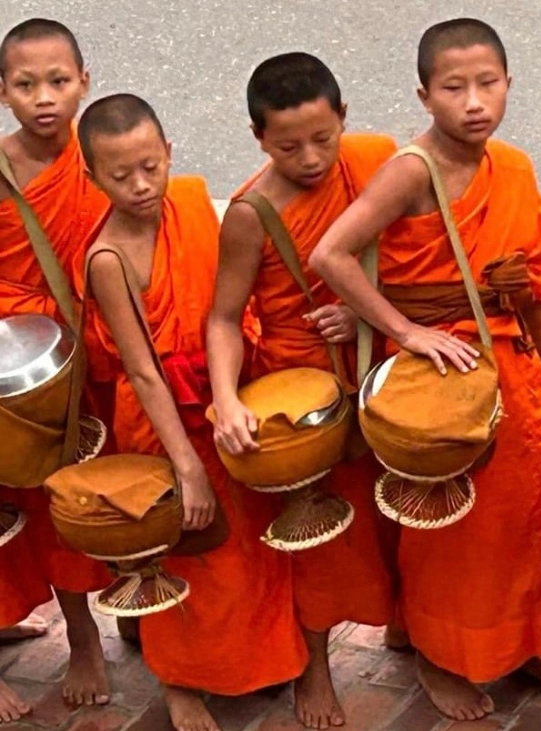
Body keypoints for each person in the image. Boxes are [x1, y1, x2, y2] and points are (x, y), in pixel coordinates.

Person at [308, 18, 541, 721]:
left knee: (526, 515)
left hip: (509, 361)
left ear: (508, 83)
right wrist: (403, 329)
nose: (474, 102)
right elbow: (332, 254)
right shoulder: (412, 173)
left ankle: (522, 638)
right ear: (425, 95)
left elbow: (527, 286)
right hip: (441, 374)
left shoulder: (510, 169)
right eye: (454, 88)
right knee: (451, 525)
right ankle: (434, 648)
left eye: (487, 83)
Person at [76, 93, 308, 731]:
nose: (142, 186)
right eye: (120, 177)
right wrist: (187, 467)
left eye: (151, 167)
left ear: (169, 152)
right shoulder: (109, 258)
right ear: (92, 177)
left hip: (222, 390)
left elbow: (225, 305)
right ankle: (180, 680)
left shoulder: (194, 205)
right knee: (183, 550)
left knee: (250, 545)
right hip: (161, 422)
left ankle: (258, 660)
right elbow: (144, 370)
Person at [206, 51, 397, 730]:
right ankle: (315, 665)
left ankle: (407, 633)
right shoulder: (252, 213)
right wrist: (226, 398)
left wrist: (364, 308)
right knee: (315, 535)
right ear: (259, 138)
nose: (311, 158)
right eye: (288, 146)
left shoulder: (374, 162)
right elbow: (224, 317)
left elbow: (404, 255)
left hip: (375, 359)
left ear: (344, 117)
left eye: (323, 138)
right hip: (296, 385)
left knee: (393, 514)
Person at [0, 18, 112, 719]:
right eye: (26, 84)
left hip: (95, 350)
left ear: (85, 83)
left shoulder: (103, 154)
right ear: (3, 92)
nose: (45, 97)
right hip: (23, 371)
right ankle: (80, 636)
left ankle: (126, 616)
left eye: (59, 81)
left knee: (97, 492)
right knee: (30, 506)